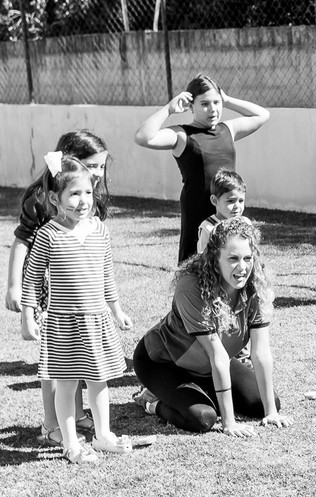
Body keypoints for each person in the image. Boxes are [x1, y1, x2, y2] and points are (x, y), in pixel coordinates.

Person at [19, 155, 147, 464]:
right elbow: (32, 277)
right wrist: (27, 316)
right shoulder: (49, 234)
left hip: (97, 320)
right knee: (66, 384)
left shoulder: (99, 230)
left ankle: (103, 435)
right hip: (63, 324)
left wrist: (116, 310)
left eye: (88, 193)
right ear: (55, 198)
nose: (83, 201)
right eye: (74, 194)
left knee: (98, 379)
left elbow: (106, 273)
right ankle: (71, 444)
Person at [131, 216, 290, 436]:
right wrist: (229, 422)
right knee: (203, 418)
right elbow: (217, 356)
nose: (242, 267)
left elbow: (261, 352)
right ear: (215, 259)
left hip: (207, 366)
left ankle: (203, 390)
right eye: (233, 258)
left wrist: (271, 413)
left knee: (267, 401)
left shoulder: (257, 285)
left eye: (247, 258)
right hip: (163, 363)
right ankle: (151, 401)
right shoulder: (191, 287)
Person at [4, 129, 111, 447]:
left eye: (101, 167)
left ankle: (76, 415)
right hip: (48, 289)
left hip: (77, 290)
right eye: (92, 166)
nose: (98, 174)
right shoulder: (40, 197)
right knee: (55, 360)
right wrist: (15, 287)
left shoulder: (90, 198)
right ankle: (52, 425)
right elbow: (22, 241)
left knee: (78, 356)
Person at [133, 75, 270, 262]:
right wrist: (169, 109)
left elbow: (262, 115)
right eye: (205, 104)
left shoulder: (227, 129)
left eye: (216, 102)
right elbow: (143, 137)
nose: (213, 109)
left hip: (227, 208)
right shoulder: (182, 135)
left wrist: (228, 100)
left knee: (231, 262)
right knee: (196, 266)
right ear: (191, 106)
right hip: (197, 211)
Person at [197, 169, 247, 254]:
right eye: (231, 201)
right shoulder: (208, 228)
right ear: (214, 200)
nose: (237, 206)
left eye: (241, 201)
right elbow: (203, 258)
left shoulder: (245, 223)